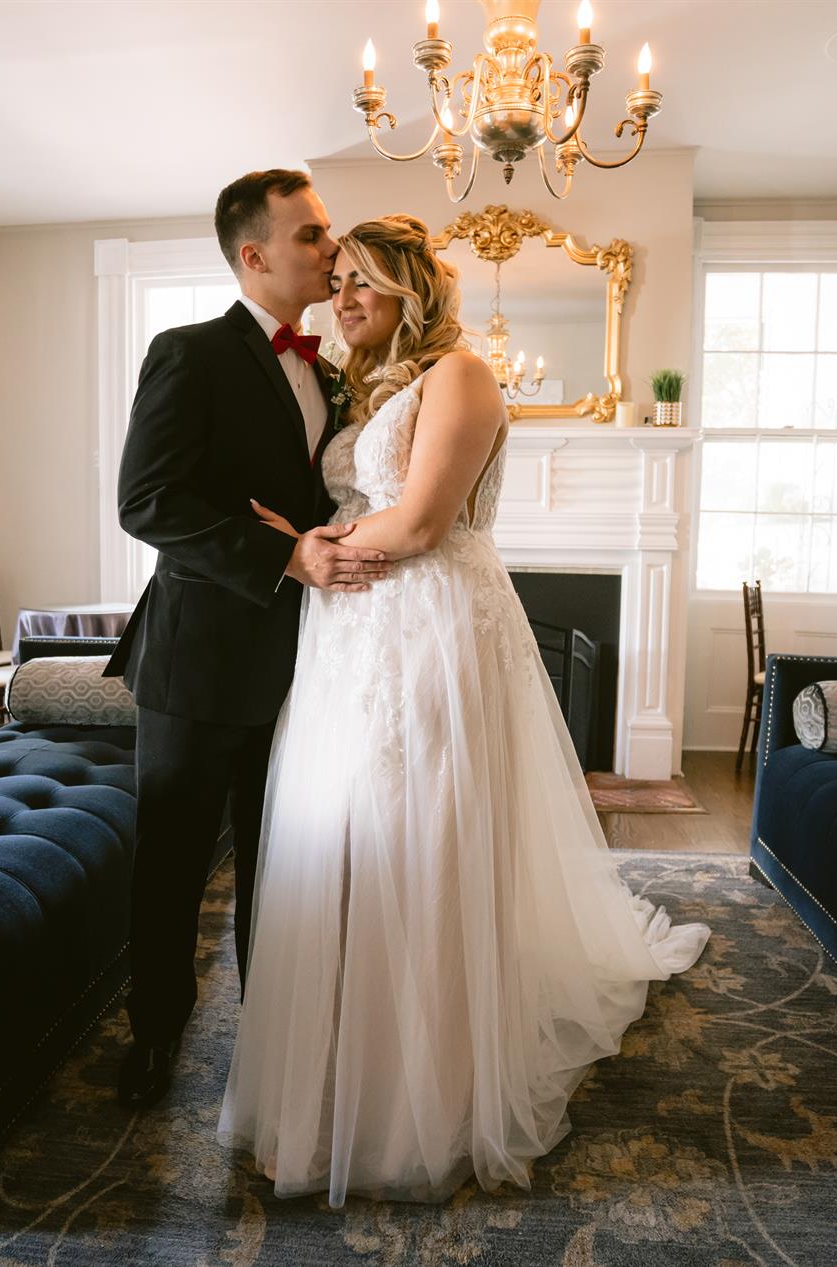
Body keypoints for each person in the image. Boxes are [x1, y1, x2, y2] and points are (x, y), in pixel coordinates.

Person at [218, 215, 709, 1206]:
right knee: (347, 843)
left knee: (421, 837)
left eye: (364, 281)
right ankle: (331, 1081)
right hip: (347, 636)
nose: (343, 298)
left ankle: (423, 1101)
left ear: (413, 288)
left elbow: (421, 521)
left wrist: (304, 548)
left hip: (431, 626)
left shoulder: (463, 375)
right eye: (336, 281)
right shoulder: (359, 388)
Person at [106, 170, 388, 1110]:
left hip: (305, 663)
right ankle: (155, 1033)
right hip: (196, 661)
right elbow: (147, 501)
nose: (331, 249)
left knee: (283, 862)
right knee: (172, 863)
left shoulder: (337, 373)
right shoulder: (188, 353)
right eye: (312, 235)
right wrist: (283, 554)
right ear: (254, 254)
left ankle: (274, 1043)